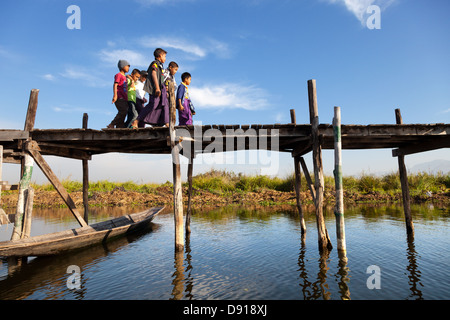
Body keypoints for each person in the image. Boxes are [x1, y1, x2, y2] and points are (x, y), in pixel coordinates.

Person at [132, 48, 168, 128]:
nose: (165, 59)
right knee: (153, 104)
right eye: (164, 56)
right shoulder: (155, 63)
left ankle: (160, 123)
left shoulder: (160, 65)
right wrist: (157, 88)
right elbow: (153, 73)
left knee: (159, 106)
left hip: (160, 88)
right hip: (155, 88)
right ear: (160, 55)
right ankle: (137, 120)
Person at [108, 60, 130, 128]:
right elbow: (115, 85)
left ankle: (119, 127)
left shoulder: (126, 77)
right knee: (123, 111)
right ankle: (112, 124)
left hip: (125, 98)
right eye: (127, 66)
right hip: (119, 97)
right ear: (122, 66)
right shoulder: (118, 75)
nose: (128, 68)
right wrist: (115, 95)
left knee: (124, 112)